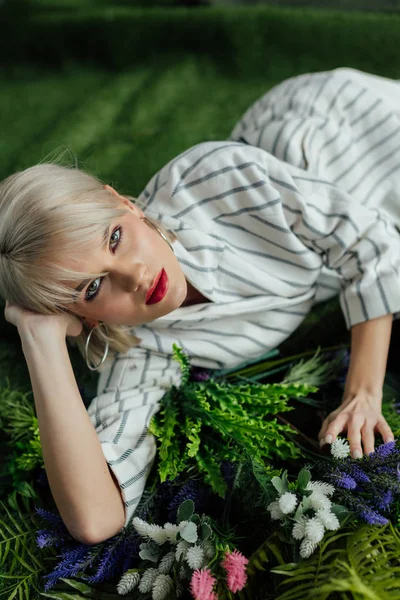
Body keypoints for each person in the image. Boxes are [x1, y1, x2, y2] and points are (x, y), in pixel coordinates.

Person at [1, 68, 400, 546]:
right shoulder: (140, 353)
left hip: (341, 131)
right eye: (92, 288)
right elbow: (94, 520)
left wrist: (363, 392)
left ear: (123, 203)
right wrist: (38, 339)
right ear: (83, 318)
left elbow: (369, 243)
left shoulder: (215, 177)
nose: (134, 276)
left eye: (114, 238)